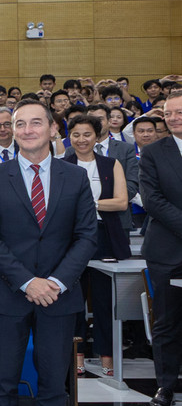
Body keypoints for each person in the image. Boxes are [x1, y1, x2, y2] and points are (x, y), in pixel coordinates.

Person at [0, 100, 97, 406]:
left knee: (53, 381)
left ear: (52, 129)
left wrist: (56, 282)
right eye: (19, 124)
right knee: (5, 379)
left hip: (60, 297)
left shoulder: (74, 177)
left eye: (35, 123)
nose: (27, 130)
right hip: (10, 295)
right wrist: (28, 282)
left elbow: (86, 236)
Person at [63, 115, 131, 377]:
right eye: (76, 134)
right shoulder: (62, 164)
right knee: (73, 300)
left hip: (105, 237)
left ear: (97, 136)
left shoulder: (110, 164)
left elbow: (121, 202)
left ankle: (106, 354)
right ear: (69, 137)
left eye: (87, 134)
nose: (82, 140)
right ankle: (77, 354)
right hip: (71, 238)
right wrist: (98, 203)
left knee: (104, 301)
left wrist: (88, 204)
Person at [141, 92, 182, 406]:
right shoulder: (154, 152)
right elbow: (152, 200)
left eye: (179, 112)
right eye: (169, 114)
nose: (174, 117)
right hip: (167, 249)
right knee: (167, 320)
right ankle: (165, 385)